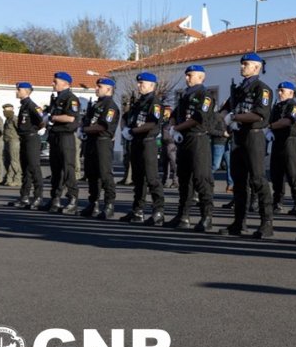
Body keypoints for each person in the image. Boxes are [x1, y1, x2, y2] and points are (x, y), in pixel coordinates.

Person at [217, 53, 274, 238]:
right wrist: (224, 116)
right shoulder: (239, 88)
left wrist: (234, 117)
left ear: (257, 67)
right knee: (239, 182)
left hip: (254, 136)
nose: (242, 66)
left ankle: (267, 223)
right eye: (241, 64)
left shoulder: (262, 89)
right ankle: (239, 223)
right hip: (238, 137)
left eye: (246, 64)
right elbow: (225, 108)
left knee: (258, 180)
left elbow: (259, 114)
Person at [167, 65, 216, 232]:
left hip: (198, 139)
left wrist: (177, 128)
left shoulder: (205, 95)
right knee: (184, 179)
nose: (187, 78)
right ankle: (183, 215)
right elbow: (174, 114)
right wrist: (173, 126)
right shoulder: (185, 95)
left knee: (201, 179)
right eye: (186, 75)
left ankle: (206, 217)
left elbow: (198, 118)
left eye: (190, 75)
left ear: (201, 77)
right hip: (184, 140)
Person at [119, 72, 165, 225]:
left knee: (152, 178)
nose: (139, 85)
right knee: (138, 179)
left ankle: (158, 211)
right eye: (138, 83)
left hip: (148, 142)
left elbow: (152, 123)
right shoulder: (138, 102)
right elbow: (125, 117)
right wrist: (125, 129)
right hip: (136, 142)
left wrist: (132, 131)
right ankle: (137, 210)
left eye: (142, 83)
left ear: (151, 85)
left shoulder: (154, 102)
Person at [80, 78, 120, 218]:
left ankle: (109, 205)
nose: (96, 88)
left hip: (102, 141)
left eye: (100, 86)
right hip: (91, 141)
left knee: (105, 174)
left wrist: (85, 129)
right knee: (91, 173)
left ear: (109, 89)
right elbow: (88, 121)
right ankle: (93, 203)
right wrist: (84, 127)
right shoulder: (96, 105)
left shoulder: (110, 106)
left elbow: (103, 126)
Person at [42, 72, 81, 214]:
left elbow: (71, 118)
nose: (52, 84)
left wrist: (53, 117)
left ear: (65, 83)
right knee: (56, 169)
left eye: (55, 81)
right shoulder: (56, 98)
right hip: (55, 136)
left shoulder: (71, 98)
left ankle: (72, 199)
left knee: (68, 168)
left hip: (66, 136)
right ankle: (55, 198)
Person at [6, 82, 46, 208]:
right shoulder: (23, 105)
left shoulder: (31, 105)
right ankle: (24, 197)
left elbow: (43, 119)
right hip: (24, 139)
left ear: (26, 91)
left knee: (34, 167)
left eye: (19, 89)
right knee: (26, 169)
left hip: (32, 138)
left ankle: (38, 197)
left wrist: (37, 129)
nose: (16, 91)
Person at [269, 81, 296, 215]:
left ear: (291, 92)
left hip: (289, 141)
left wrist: (270, 127)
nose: (279, 93)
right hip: (277, 141)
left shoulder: (294, 106)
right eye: (278, 90)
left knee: (292, 173)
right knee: (276, 173)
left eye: (282, 91)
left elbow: (287, 121)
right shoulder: (277, 106)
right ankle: (277, 202)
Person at [2, 104, 22, 187]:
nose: (5, 111)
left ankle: (17, 179)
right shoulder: (8, 119)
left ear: (12, 109)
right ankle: (9, 178)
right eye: (4, 110)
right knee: (7, 161)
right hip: (7, 141)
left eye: (7, 110)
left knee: (14, 161)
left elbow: (20, 130)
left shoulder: (15, 119)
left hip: (14, 141)